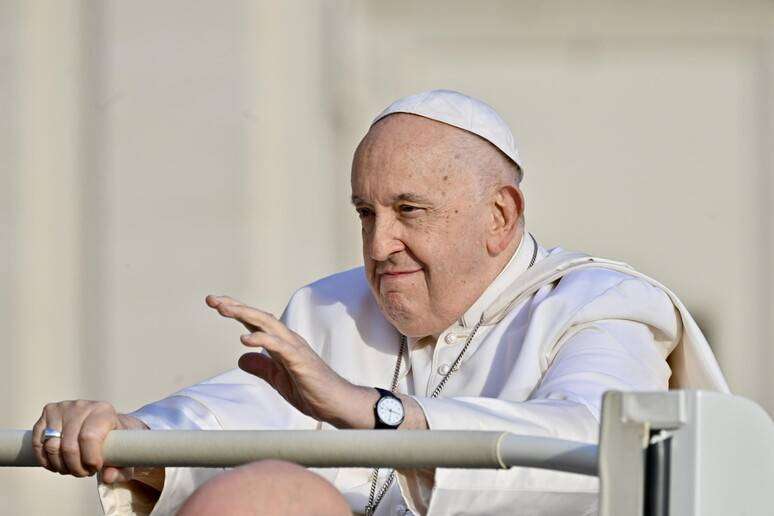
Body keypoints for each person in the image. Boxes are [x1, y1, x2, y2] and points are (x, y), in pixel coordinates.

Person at [31, 90, 728, 516]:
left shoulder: (601, 302)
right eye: (366, 212)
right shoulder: (334, 306)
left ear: (499, 217)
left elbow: (596, 447)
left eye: (409, 210)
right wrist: (130, 437)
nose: (379, 243)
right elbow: (238, 419)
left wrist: (377, 414)